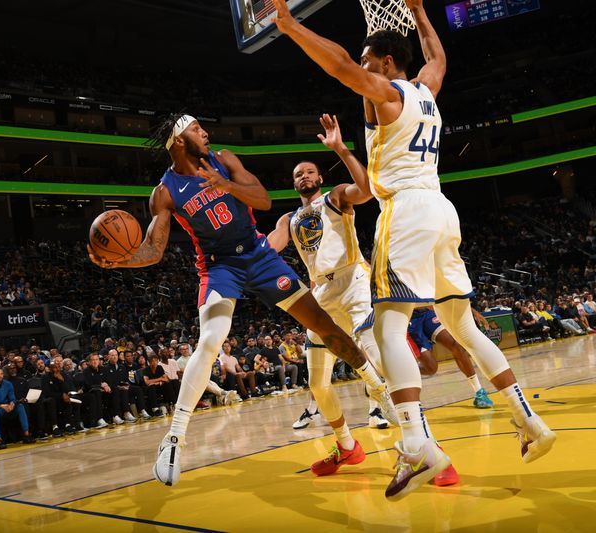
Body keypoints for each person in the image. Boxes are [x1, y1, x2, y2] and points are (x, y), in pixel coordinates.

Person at [273, 0, 555, 500]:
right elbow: (438, 57)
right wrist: (421, 12)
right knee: (463, 324)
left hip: (404, 210)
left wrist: (292, 26)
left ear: (384, 62)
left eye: (367, 61)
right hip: (443, 210)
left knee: (387, 328)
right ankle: (529, 421)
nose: (361, 69)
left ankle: (416, 444)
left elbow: (338, 64)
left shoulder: (389, 93)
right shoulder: (428, 90)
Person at [90, 112, 394, 487]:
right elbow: (153, 249)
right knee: (211, 339)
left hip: (257, 253)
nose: (205, 132)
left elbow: (263, 201)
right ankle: (174, 439)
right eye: (197, 129)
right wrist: (120, 260)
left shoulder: (225, 158)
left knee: (322, 324)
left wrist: (225, 184)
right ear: (178, 139)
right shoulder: (165, 192)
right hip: (220, 268)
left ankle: (376, 385)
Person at [266, 117, 394, 475]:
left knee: (372, 350)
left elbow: (366, 190)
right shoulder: (288, 220)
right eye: (297, 175)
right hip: (320, 292)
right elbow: (268, 249)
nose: (303, 177)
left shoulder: (335, 196)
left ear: (319, 178)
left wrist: (340, 148)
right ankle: (347, 446)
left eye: (308, 172)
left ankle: (409, 428)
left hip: (352, 278)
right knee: (317, 383)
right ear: (294, 185)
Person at [406, 307, 494, 408]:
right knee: (431, 368)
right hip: (408, 320)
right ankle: (400, 373)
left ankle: (479, 392)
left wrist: (473, 312)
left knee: (455, 344)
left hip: (427, 313)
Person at [0, 367, 33, 449]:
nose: (0, 376)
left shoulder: (8, 384)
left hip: (8, 408)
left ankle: (26, 435)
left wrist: (12, 404)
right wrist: (1, 405)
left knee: (20, 406)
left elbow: (12, 397)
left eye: (2, 374)